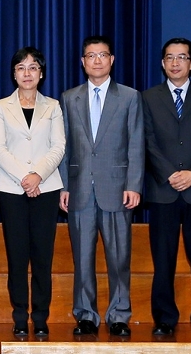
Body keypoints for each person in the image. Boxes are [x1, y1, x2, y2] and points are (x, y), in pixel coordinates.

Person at [59, 35, 144, 338]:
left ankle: (119, 314)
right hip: (80, 190)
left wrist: (134, 184)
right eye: (90, 56)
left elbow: (136, 143)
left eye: (102, 55)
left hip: (117, 188)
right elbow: (65, 145)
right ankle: (86, 315)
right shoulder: (70, 98)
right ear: (82, 62)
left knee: (119, 258)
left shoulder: (130, 97)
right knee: (82, 258)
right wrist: (64, 185)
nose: (97, 61)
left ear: (112, 60)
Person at [141, 38, 191, 337]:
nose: (176, 63)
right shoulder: (148, 98)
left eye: (182, 57)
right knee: (163, 260)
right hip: (163, 190)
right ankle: (164, 317)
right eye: (170, 58)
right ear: (162, 63)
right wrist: (169, 174)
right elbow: (146, 141)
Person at [0, 47, 64, 338]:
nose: (27, 73)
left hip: (46, 188)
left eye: (33, 67)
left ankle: (41, 317)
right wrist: (24, 177)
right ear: (14, 74)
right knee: (17, 256)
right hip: (11, 189)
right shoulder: (1, 106)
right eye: (21, 68)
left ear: (41, 73)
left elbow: (58, 146)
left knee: (43, 257)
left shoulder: (53, 107)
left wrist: (38, 176)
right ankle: (20, 315)